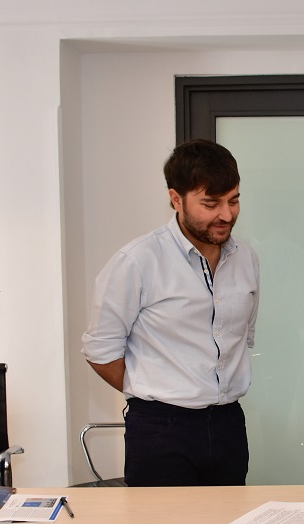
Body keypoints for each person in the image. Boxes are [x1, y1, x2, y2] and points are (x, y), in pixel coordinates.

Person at [82, 139, 259, 487]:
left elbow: (243, 337)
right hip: (161, 430)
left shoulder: (247, 259)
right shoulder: (137, 261)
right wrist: (156, 388)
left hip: (228, 425)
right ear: (176, 199)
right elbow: (100, 352)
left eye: (233, 200)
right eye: (211, 203)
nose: (226, 214)